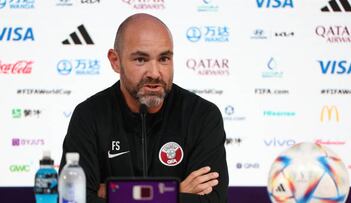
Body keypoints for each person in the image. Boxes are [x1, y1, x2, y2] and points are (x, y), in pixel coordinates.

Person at [60, 13, 228, 203]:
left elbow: (213, 201)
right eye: (141, 59)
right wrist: (174, 193)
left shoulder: (202, 115)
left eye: (164, 59)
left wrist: (115, 194)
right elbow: (74, 199)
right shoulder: (89, 116)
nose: (155, 73)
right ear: (115, 61)